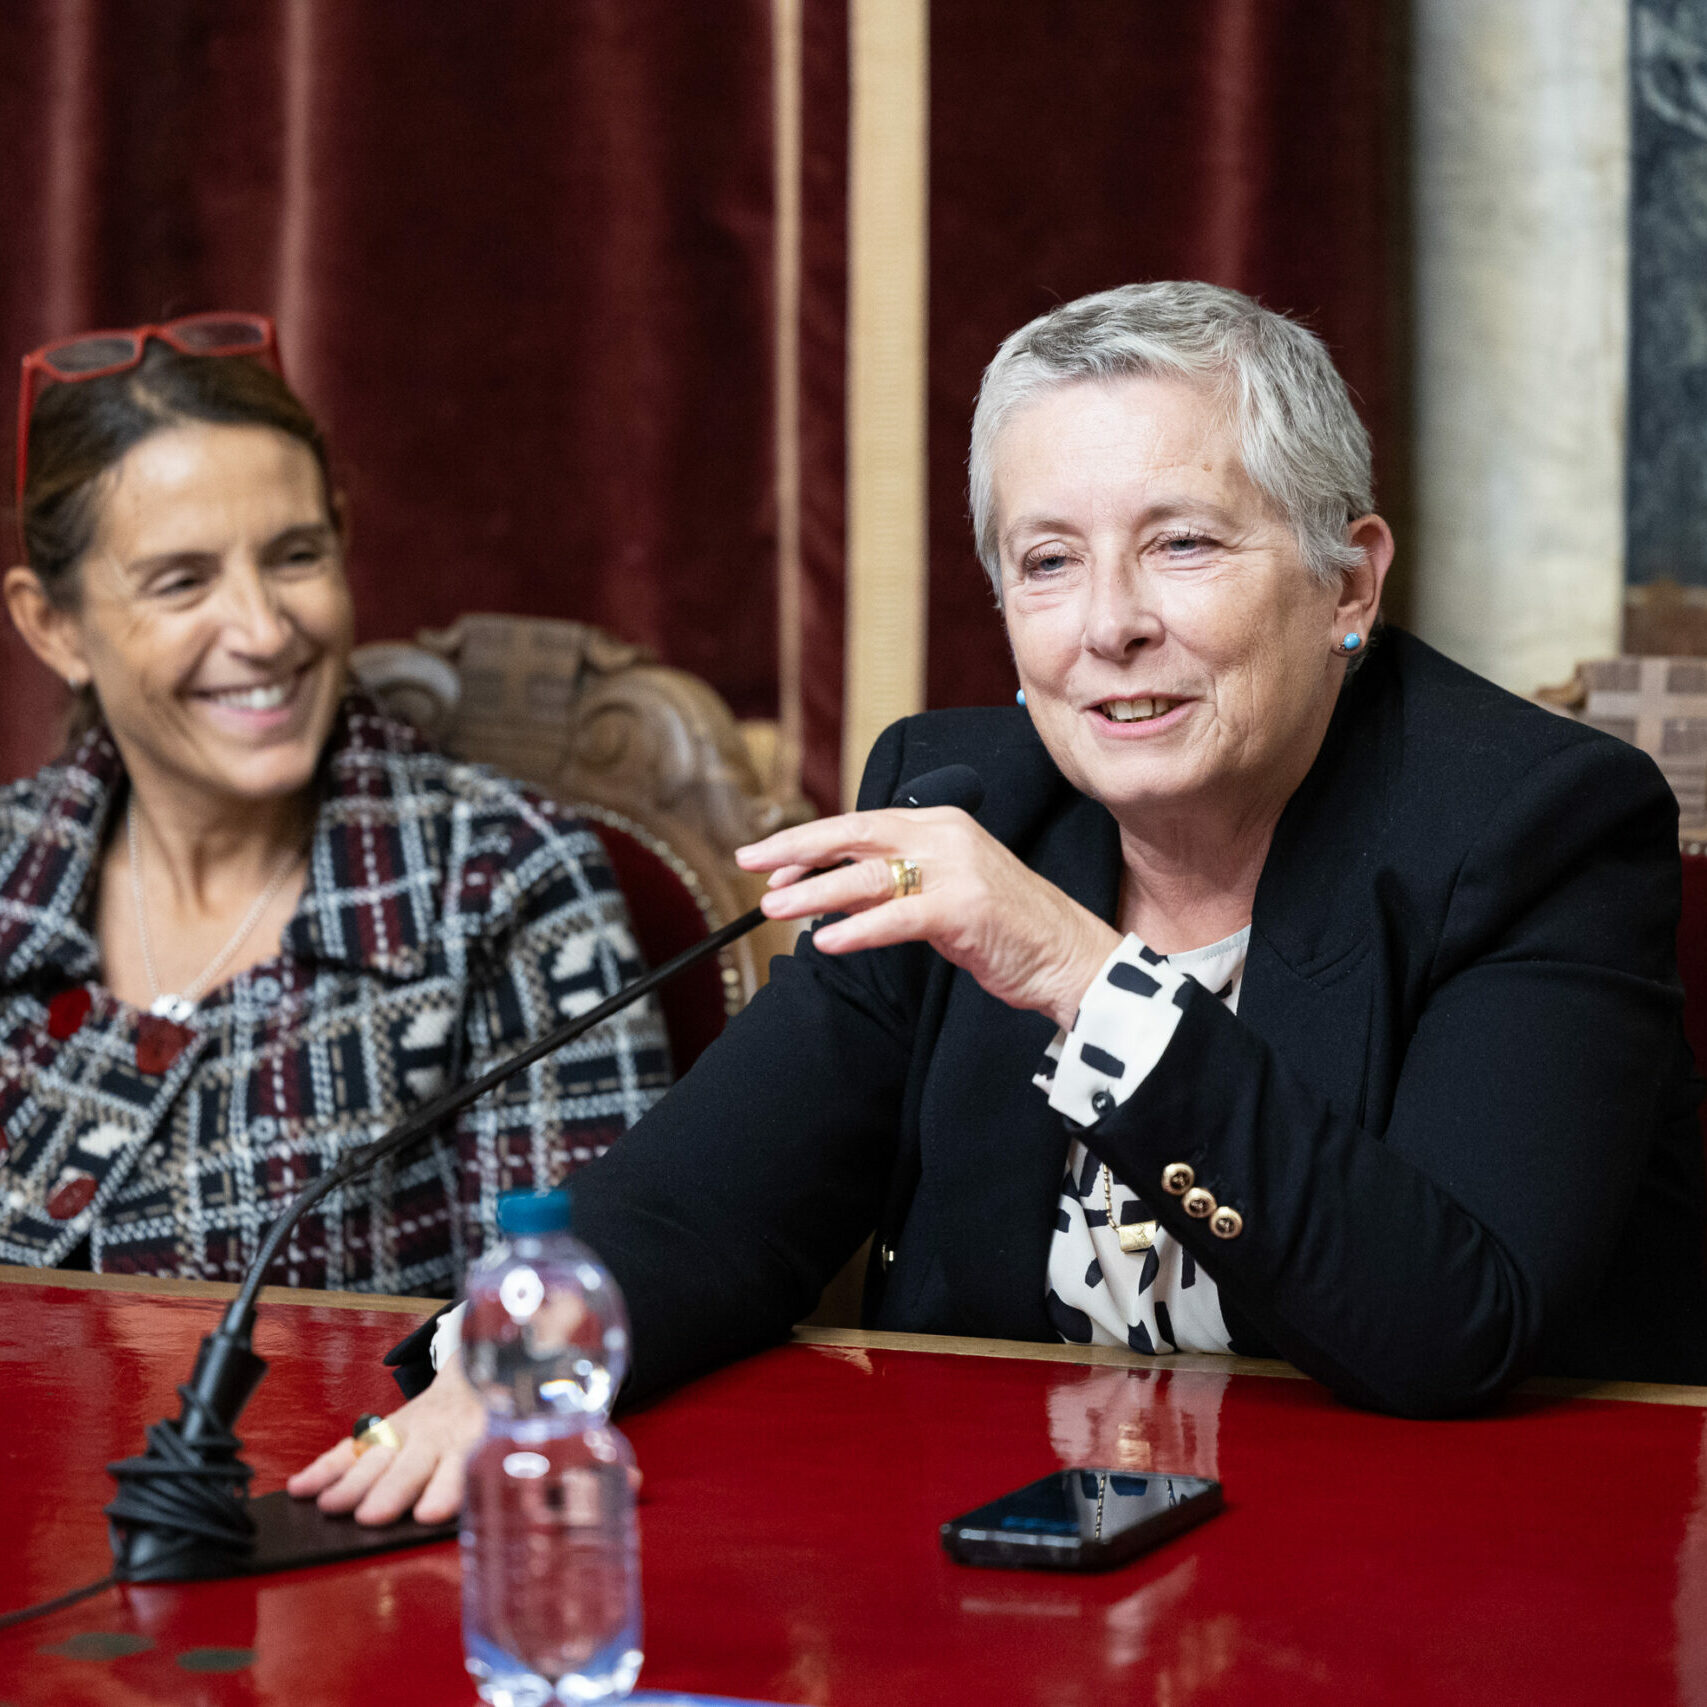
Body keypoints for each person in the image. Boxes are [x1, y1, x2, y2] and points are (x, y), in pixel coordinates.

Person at [292, 280, 1707, 1529]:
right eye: (1047, 561)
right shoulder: (962, 799)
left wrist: (1081, 976)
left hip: (1433, 1573)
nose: (1108, 624)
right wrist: (515, 1357)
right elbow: (709, 1204)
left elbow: (1454, 1326)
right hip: (1014, 1565)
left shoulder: (1537, 828)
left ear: (1348, 579)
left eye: (1182, 544)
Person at [1, 314, 669, 1296]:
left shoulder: (506, 881)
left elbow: (558, 1321)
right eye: (182, 581)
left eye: (295, 556)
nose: (264, 630)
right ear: (53, 625)